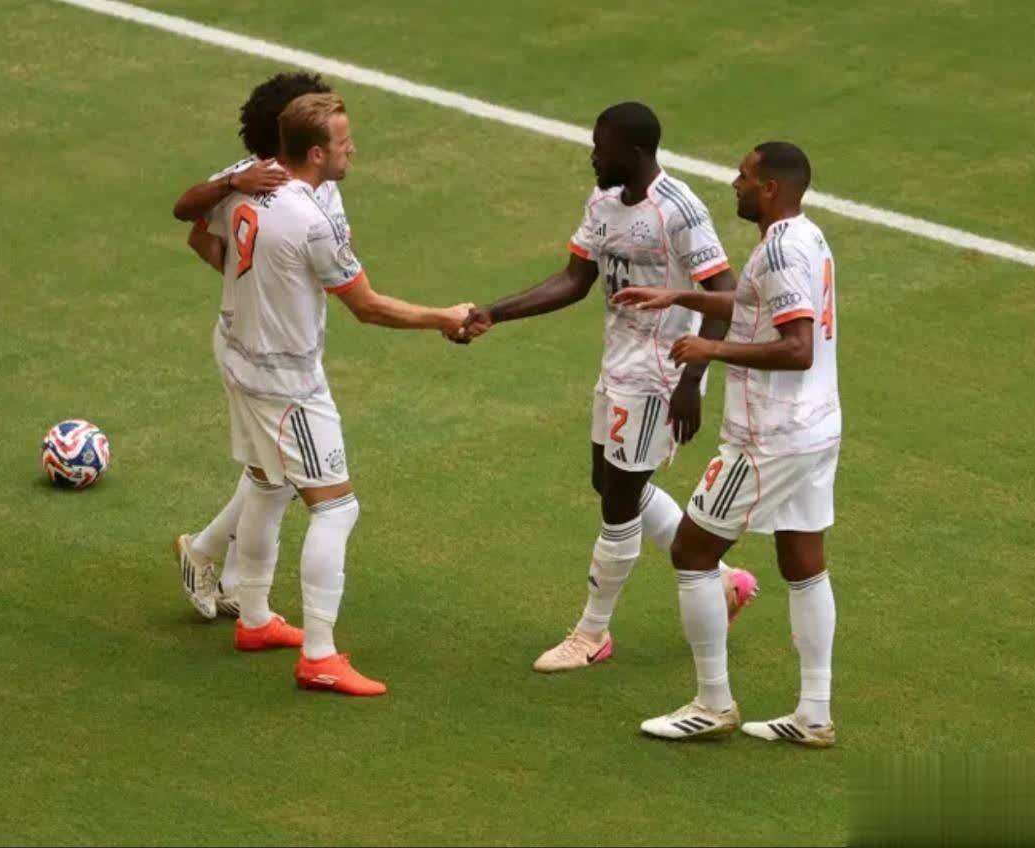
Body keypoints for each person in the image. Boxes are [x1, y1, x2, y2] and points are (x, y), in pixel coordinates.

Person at [461, 102, 757, 674]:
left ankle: (591, 633)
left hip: (657, 376)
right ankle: (723, 581)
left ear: (635, 152)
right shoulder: (602, 203)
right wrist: (495, 313)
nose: (593, 155)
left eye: (603, 146)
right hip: (617, 367)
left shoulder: (678, 210)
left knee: (618, 502)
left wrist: (692, 379)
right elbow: (574, 280)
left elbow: (726, 293)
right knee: (610, 481)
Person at [206, 92, 473, 695]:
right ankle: (320, 657)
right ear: (316, 153)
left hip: (241, 359)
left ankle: (254, 619)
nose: (353, 150)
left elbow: (202, 234)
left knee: (268, 485)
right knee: (335, 508)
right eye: (345, 142)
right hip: (288, 384)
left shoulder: (244, 186)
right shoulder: (311, 220)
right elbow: (367, 306)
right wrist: (445, 317)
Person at [626, 142, 841, 746]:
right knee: (803, 561)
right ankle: (814, 714)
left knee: (693, 550)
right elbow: (750, 304)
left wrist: (711, 348)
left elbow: (797, 348)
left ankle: (712, 702)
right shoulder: (807, 237)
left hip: (768, 438)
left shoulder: (780, 250)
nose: (734, 182)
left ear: (770, 188)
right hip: (814, 429)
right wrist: (679, 297)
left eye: (744, 176)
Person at [171, 72, 347, 621]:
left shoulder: (319, 184)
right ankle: (223, 572)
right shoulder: (249, 177)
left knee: (272, 477)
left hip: (284, 348)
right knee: (283, 480)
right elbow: (193, 225)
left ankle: (218, 568)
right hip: (258, 353)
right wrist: (252, 284)